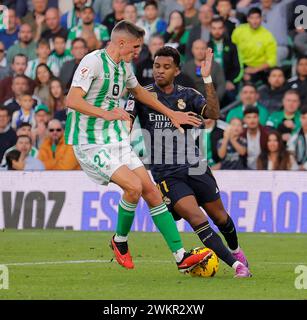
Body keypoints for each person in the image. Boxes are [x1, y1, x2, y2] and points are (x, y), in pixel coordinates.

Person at [64, 20, 210, 272]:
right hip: (89, 142)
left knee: (151, 193)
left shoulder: (123, 67)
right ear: (121, 43)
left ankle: (180, 256)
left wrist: (171, 114)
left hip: (115, 139)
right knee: (132, 187)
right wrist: (105, 113)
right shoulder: (93, 62)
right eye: (135, 47)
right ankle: (119, 242)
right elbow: (72, 99)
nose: (138, 52)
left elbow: (141, 93)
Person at [126, 46, 251, 277]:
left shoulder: (187, 94)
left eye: (166, 67)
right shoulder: (141, 95)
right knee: (196, 218)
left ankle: (236, 251)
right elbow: (126, 121)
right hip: (167, 174)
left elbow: (213, 113)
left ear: (176, 70)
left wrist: (207, 78)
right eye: (156, 66)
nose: (159, 71)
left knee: (221, 217)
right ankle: (237, 267)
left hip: (195, 165)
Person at [231, 7, 277, 84]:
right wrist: (241, 70)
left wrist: (255, 69)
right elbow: (232, 49)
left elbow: (272, 60)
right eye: (252, 18)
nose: (255, 21)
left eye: (257, 18)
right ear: (248, 19)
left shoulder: (268, 35)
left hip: (259, 68)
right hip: (239, 65)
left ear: (261, 19)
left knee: (250, 80)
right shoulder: (239, 30)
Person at [208, 16, 243, 106]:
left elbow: (238, 68)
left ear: (224, 29)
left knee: (229, 97)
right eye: (214, 28)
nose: (217, 31)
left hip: (228, 83)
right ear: (210, 29)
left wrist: (230, 81)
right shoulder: (205, 46)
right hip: (210, 83)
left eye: (220, 28)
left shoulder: (232, 46)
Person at [242, 106, 269, 170]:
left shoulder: (266, 134)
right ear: (244, 120)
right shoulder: (241, 135)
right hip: (244, 171)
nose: (252, 120)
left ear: (259, 118)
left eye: (255, 117)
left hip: (264, 170)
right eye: (249, 117)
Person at [288, 105, 307, 170]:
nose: (306, 121)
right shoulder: (294, 135)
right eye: (304, 118)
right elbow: (290, 153)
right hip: (297, 171)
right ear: (300, 118)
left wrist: (305, 167)